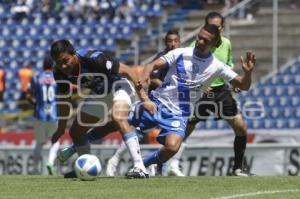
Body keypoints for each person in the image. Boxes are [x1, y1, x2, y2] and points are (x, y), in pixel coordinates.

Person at [130, 23, 255, 173]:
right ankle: (93, 141)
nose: (200, 42)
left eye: (205, 40)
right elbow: (152, 65)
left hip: (180, 112)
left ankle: (142, 165)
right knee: (116, 123)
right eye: (199, 37)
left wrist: (247, 74)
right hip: (158, 102)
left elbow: (243, 85)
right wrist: (144, 80)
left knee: (173, 146)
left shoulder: (217, 66)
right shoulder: (181, 52)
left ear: (214, 44)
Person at [50, 39, 148, 178]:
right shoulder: (59, 72)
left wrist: (145, 99)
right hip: (100, 92)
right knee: (76, 131)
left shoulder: (94, 58)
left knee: (118, 117)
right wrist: (61, 128)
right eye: (59, 63)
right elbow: (64, 101)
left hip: (119, 84)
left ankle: (140, 166)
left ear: (74, 54)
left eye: (66, 61)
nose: (63, 66)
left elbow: (129, 71)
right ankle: (85, 167)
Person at [106, 29, 185, 177]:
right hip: (155, 103)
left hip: (172, 107)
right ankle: (116, 159)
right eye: (170, 41)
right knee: (135, 131)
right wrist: (165, 86)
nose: (173, 44)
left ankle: (159, 166)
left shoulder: (183, 58)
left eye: (175, 41)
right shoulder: (162, 57)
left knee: (172, 137)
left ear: (180, 42)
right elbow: (152, 76)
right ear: (165, 43)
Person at [188, 11, 251, 176]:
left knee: (241, 127)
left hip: (221, 91)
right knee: (183, 130)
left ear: (222, 28)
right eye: (209, 26)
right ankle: (161, 164)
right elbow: (185, 67)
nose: (212, 30)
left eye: (216, 27)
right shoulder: (196, 46)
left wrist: (234, 83)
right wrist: (199, 85)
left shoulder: (227, 44)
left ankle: (238, 168)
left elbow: (228, 66)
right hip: (200, 93)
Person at [26, 54, 60, 175]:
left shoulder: (36, 77)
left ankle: (35, 169)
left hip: (39, 114)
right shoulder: (56, 77)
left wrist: (34, 103)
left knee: (39, 141)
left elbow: (28, 94)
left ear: (43, 64)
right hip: (53, 114)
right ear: (53, 65)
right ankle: (50, 162)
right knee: (55, 141)